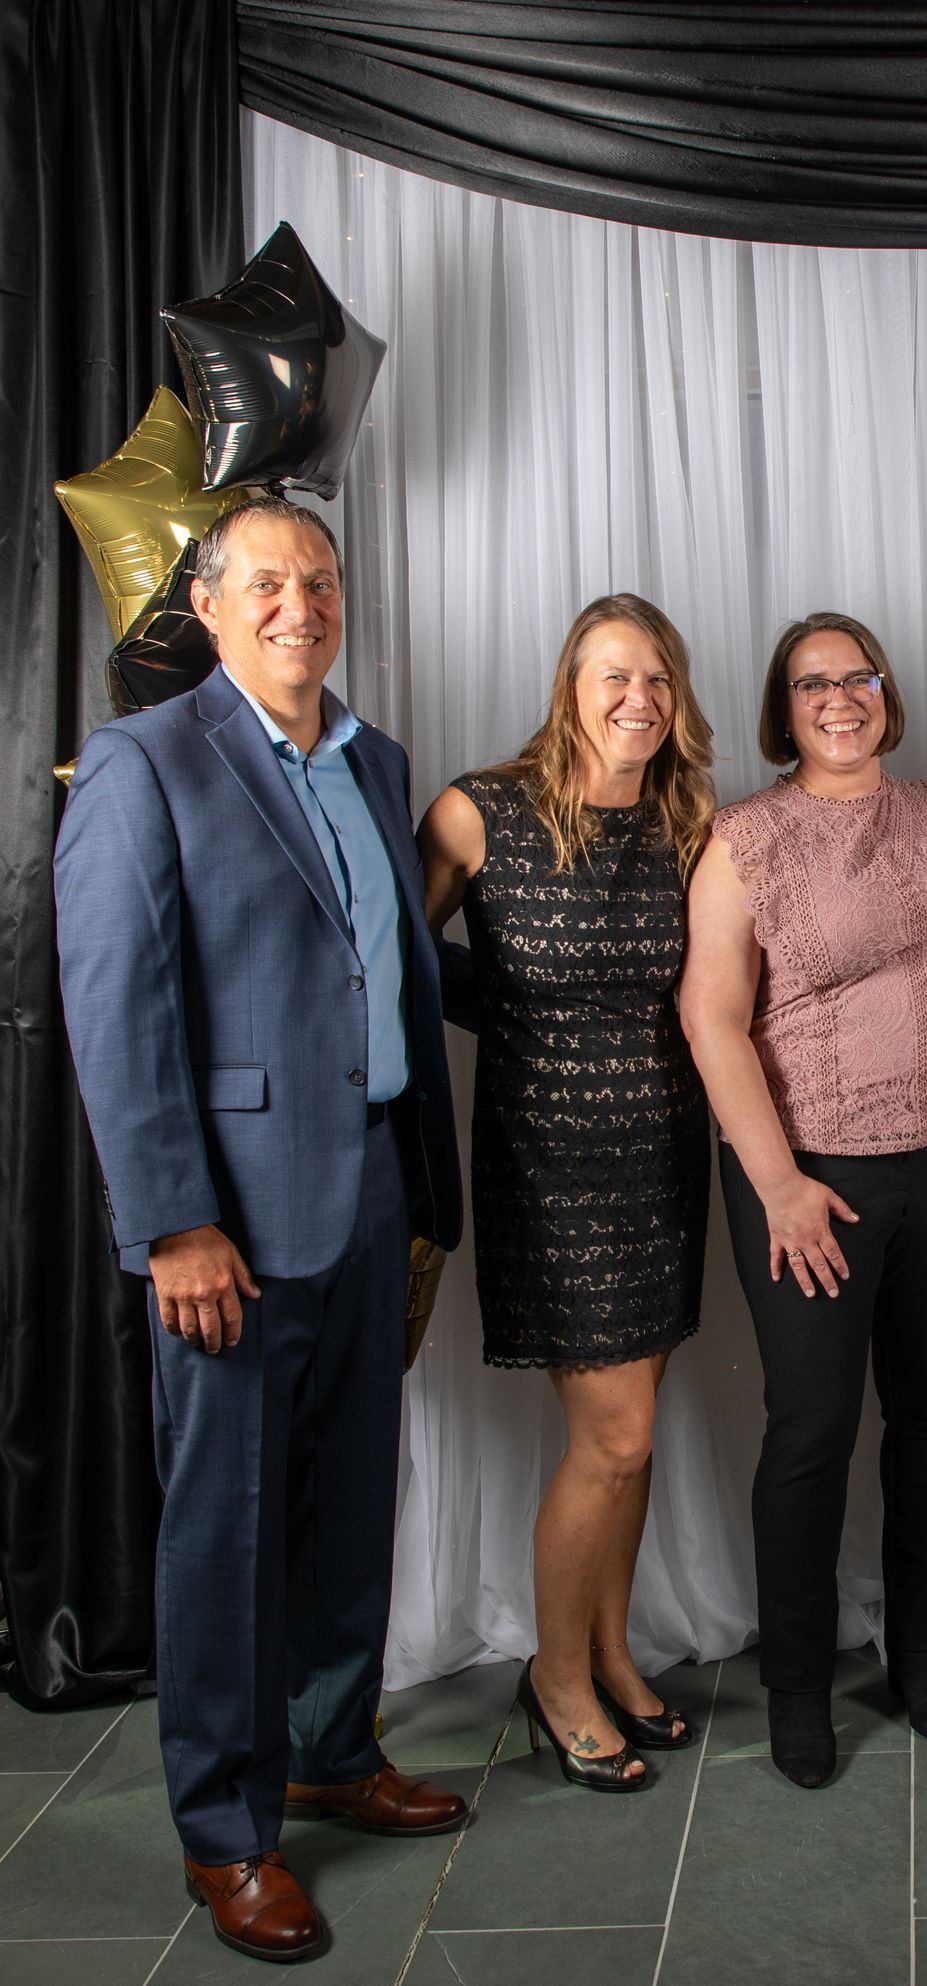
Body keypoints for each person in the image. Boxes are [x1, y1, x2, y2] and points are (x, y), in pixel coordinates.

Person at [54, 496, 466, 1965]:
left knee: (350, 1499)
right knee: (224, 1531)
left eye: (322, 578)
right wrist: (171, 1223)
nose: (303, 602)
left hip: (366, 1191)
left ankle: (330, 1747)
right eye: (270, 582)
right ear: (212, 607)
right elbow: (116, 1006)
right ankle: (226, 1829)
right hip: (224, 1220)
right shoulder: (146, 761)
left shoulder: (375, 758)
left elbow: (387, 974)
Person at [679, 612, 927, 1788]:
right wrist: (779, 1188)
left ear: (885, 691)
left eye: (857, 676)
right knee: (811, 1431)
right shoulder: (744, 838)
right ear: (785, 707)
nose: (840, 697)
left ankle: (919, 1655)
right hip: (813, 1175)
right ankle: (799, 1688)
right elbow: (712, 1020)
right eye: (813, 683)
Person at [416, 595, 715, 1793]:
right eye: (613, 676)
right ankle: (555, 1678)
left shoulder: (688, 821)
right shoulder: (478, 808)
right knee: (617, 1435)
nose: (637, 698)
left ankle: (609, 1649)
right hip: (544, 1166)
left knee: (634, 1446)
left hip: (661, 1163)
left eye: (657, 679)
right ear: (569, 684)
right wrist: (515, 1019)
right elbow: (387, 957)